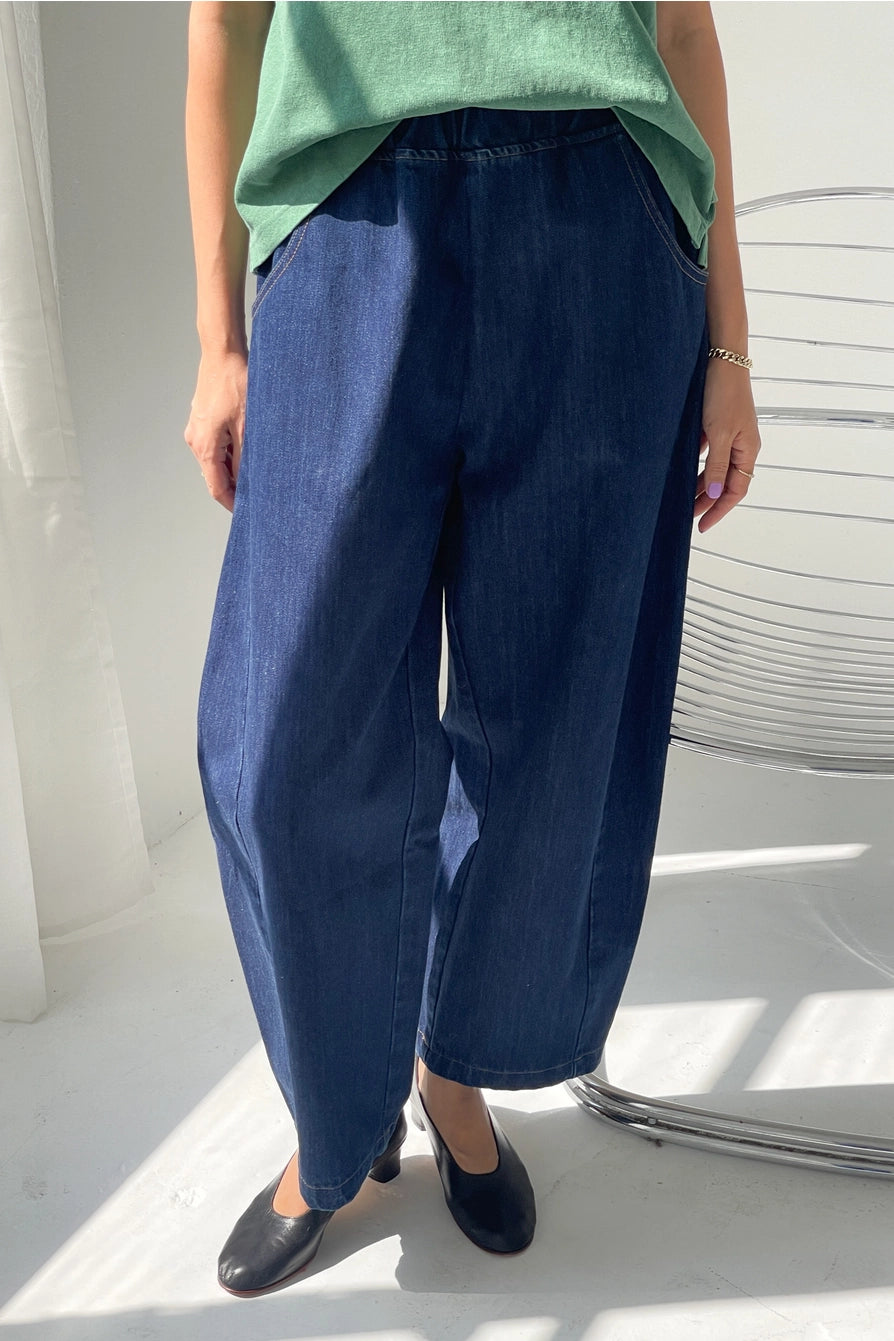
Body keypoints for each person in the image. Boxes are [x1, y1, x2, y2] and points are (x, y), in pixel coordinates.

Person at [184, 0, 760, 1297]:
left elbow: (678, 33)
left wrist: (728, 345)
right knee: (278, 736)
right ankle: (335, 1127)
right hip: (349, 222)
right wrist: (219, 340)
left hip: (601, 229)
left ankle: (457, 1068)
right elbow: (221, 25)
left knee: (553, 728)